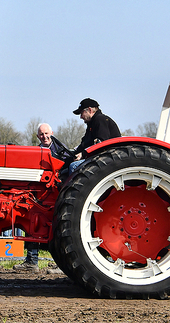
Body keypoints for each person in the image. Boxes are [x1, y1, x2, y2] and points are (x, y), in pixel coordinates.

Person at [14, 123, 67, 272]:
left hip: (57, 194)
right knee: (32, 222)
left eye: (46, 133)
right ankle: (31, 261)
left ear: (52, 133)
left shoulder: (61, 151)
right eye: (41, 134)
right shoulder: (36, 152)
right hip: (40, 195)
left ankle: (63, 264)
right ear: (38, 136)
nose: (44, 136)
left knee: (60, 228)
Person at [70, 98, 121, 173]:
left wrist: (83, 154)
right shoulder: (91, 124)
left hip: (108, 158)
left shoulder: (100, 120)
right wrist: (73, 154)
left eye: (82, 113)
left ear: (90, 110)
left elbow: (101, 144)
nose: (81, 116)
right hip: (99, 157)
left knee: (74, 166)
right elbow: (85, 143)